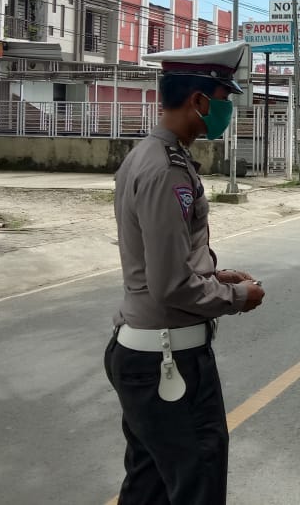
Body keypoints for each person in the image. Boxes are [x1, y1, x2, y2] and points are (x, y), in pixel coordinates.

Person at [104, 41, 265, 505]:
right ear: (198, 101)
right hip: (166, 363)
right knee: (198, 484)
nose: (228, 111)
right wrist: (237, 299)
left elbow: (172, 261)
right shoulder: (167, 170)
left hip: (154, 356)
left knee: (149, 485)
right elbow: (171, 283)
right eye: (224, 100)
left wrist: (218, 277)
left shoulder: (151, 157)